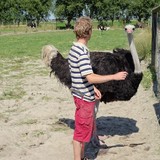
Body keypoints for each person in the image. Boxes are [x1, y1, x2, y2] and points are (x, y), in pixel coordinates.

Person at [68, 16, 128, 160]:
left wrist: (91, 88)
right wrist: (114, 76)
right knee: (80, 135)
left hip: (79, 94)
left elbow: (79, 75)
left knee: (82, 131)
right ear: (89, 32)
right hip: (84, 99)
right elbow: (90, 76)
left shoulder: (73, 48)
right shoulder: (82, 52)